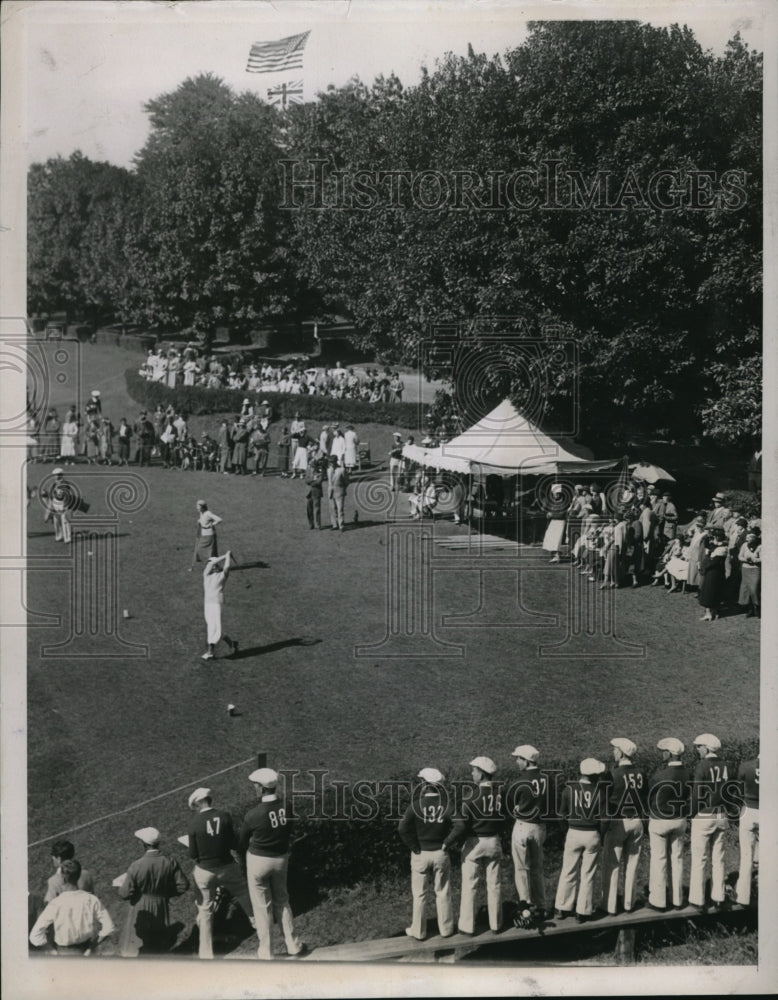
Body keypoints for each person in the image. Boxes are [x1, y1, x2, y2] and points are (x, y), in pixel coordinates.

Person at [238, 767, 306, 959]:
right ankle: (293, 944)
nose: (254, 789)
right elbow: (290, 828)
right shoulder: (288, 805)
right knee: (282, 901)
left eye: (255, 786)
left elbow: (241, 843)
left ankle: (266, 951)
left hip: (258, 860)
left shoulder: (253, 814)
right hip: (280, 859)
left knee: (262, 907)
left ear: (261, 788)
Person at [187, 787, 255, 960]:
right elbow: (234, 843)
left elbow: (193, 854)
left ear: (198, 803)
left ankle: (206, 953)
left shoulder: (194, 823)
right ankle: (260, 927)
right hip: (226, 866)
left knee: (205, 910)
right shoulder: (224, 816)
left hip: (205, 870)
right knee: (244, 895)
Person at [444, 755, 505, 935]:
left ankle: (467, 926)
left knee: (470, 885)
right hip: (494, 840)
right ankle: (496, 924)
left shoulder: (470, 798)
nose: (472, 773)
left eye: (474, 771)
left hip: (475, 841)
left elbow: (463, 825)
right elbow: (504, 820)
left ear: (482, 774)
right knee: (494, 884)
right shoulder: (499, 794)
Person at [398, 767, 454, 940]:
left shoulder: (415, 806)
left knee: (420, 895)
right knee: (443, 892)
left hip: (421, 854)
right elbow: (460, 826)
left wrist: (414, 847)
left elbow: (402, 828)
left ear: (424, 784)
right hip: (440, 853)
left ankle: (419, 931)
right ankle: (446, 930)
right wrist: (447, 842)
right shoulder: (447, 806)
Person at [117, 827, 189, 956]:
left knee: (139, 943)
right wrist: (165, 894)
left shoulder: (136, 865)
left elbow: (124, 893)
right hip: (161, 905)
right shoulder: (170, 862)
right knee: (157, 943)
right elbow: (183, 885)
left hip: (141, 906)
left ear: (143, 844)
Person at [554, 758, 608, 923]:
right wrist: (601, 836)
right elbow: (605, 820)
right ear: (593, 776)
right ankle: (582, 911)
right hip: (592, 833)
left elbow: (561, 815)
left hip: (573, 832)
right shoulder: (600, 792)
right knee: (587, 874)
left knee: (568, 871)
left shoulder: (569, 790)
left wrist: (566, 831)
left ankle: (562, 908)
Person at [30, 860, 114, 955]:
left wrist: (51, 950)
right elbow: (109, 927)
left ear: (62, 877)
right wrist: (92, 947)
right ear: (79, 876)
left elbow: (35, 935)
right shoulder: (92, 900)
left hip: (63, 953)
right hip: (87, 952)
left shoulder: (56, 903)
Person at [601, 737, 646, 915]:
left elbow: (605, 800)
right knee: (632, 864)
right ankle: (629, 903)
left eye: (615, 749)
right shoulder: (641, 772)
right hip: (636, 820)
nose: (613, 752)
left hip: (618, 821)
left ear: (622, 752)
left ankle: (609, 905)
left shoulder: (612, 774)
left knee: (612, 865)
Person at [688, 733, 732, 912]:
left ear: (706, 748)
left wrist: (691, 813)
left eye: (699, 746)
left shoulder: (702, 766)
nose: (697, 749)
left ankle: (698, 900)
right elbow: (729, 791)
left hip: (704, 815)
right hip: (721, 814)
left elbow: (697, 795)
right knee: (718, 858)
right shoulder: (726, 765)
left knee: (700, 859)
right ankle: (719, 896)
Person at [647, 737, 691, 912]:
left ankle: (658, 901)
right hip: (680, 819)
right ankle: (678, 899)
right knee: (677, 858)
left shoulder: (659, 775)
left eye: (663, 751)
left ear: (669, 754)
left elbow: (650, 799)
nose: (661, 754)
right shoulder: (688, 773)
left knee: (659, 860)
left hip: (660, 820)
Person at [507, 745, 547, 913]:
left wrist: (517, 808)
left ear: (526, 761)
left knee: (521, 868)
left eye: (519, 759)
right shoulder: (547, 779)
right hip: (539, 827)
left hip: (523, 826)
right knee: (537, 868)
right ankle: (541, 906)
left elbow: (508, 804)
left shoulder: (518, 781)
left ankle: (526, 906)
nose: (516, 762)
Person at [202, 553, 238, 660]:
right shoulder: (206, 575)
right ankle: (231, 643)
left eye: (214, 564)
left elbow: (227, 567)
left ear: (217, 566)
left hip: (217, 603)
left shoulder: (222, 575)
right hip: (207, 604)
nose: (211, 565)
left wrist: (227, 557)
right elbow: (211, 563)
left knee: (213, 627)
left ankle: (210, 652)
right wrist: (226, 555)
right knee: (213, 626)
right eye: (210, 564)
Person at [735, 752, 759, 906]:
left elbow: (736, 790)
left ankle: (742, 896)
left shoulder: (746, 765)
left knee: (746, 857)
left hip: (748, 810)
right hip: (768, 810)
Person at [698, 529, 727, 621]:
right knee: (715, 592)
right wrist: (707, 536)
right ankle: (715, 612)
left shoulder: (721, 549)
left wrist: (703, 566)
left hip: (713, 573)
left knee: (709, 592)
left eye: (714, 537)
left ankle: (708, 614)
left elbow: (713, 562)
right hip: (718, 573)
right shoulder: (719, 546)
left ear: (717, 538)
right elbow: (707, 545)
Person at [48, 468, 77, 544]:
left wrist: (66, 505)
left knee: (65, 521)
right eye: (55, 475)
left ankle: (67, 538)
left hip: (63, 504)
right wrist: (51, 505)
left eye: (57, 475)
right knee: (56, 521)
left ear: (61, 475)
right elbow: (51, 494)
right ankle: (58, 536)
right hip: (55, 504)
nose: (56, 477)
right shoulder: (54, 484)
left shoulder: (65, 484)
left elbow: (67, 495)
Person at [191, 500, 222, 569]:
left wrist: (212, 524)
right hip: (204, 534)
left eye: (198, 506)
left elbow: (219, 519)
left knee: (208, 551)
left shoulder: (208, 513)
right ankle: (215, 566)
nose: (197, 508)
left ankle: (214, 566)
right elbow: (204, 520)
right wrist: (200, 521)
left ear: (202, 507)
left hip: (209, 535)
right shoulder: (201, 513)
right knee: (209, 551)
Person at [738, 528, 761, 618]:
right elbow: (740, 556)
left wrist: (754, 560)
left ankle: (757, 607)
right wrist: (746, 560)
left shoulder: (760, 547)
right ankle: (750, 609)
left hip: (755, 569)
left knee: (754, 589)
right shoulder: (744, 545)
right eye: (747, 537)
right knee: (746, 590)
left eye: (749, 537)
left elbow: (763, 558)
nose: (747, 539)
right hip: (745, 569)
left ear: (754, 538)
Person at [542, 484, 566, 563]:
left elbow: (562, 514)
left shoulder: (563, 502)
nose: (556, 495)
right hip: (553, 521)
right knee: (550, 538)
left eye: (557, 494)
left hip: (559, 522)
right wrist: (549, 513)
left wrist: (552, 514)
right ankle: (554, 555)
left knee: (556, 539)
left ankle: (557, 556)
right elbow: (549, 509)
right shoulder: (553, 502)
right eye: (554, 494)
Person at [327, 456, 349, 531]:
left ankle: (341, 525)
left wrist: (342, 488)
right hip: (331, 492)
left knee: (340, 509)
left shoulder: (341, 470)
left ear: (336, 461)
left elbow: (347, 481)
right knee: (332, 509)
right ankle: (334, 525)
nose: (331, 464)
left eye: (333, 462)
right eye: (330, 462)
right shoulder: (329, 470)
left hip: (339, 491)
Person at [306, 458, 325, 530]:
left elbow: (318, 482)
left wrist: (310, 481)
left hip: (317, 492)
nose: (312, 468)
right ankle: (311, 524)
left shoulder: (320, 473)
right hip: (309, 493)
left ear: (316, 467)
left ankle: (318, 524)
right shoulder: (308, 472)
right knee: (309, 509)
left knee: (317, 509)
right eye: (311, 467)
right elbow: (306, 481)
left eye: (313, 467)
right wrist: (313, 479)